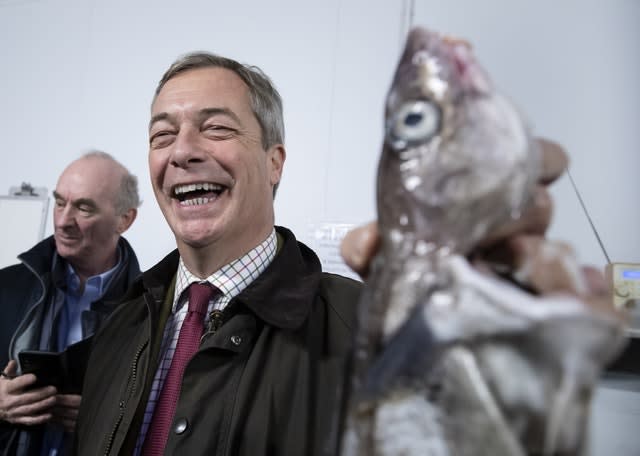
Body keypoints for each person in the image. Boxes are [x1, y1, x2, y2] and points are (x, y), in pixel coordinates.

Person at [73, 52, 618, 456]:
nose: (184, 151)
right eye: (161, 135)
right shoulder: (122, 321)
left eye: (215, 128)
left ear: (275, 162)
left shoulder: (370, 333)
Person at [0, 151, 142, 456]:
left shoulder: (152, 308)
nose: (63, 221)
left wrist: (112, 420)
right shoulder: (5, 288)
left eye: (84, 208)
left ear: (125, 219)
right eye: (60, 202)